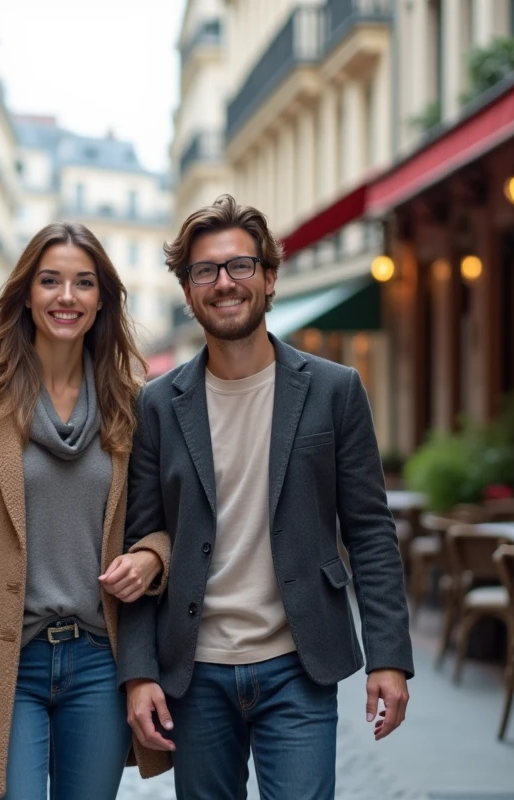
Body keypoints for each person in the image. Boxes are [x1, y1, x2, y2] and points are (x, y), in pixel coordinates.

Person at [117, 196, 414, 800]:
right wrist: (139, 673)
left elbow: (370, 532)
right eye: (206, 271)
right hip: (194, 672)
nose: (224, 283)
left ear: (270, 277)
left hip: (299, 665)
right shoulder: (157, 404)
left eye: (240, 267)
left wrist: (390, 656)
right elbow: (141, 539)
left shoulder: (335, 390)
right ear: (188, 290)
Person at [0, 221, 173, 799]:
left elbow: (165, 521)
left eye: (84, 283)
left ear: (101, 299)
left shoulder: (131, 403)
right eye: (50, 281)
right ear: (27, 293)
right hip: (6, 661)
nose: (66, 296)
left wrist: (154, 558)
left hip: (98, 662)